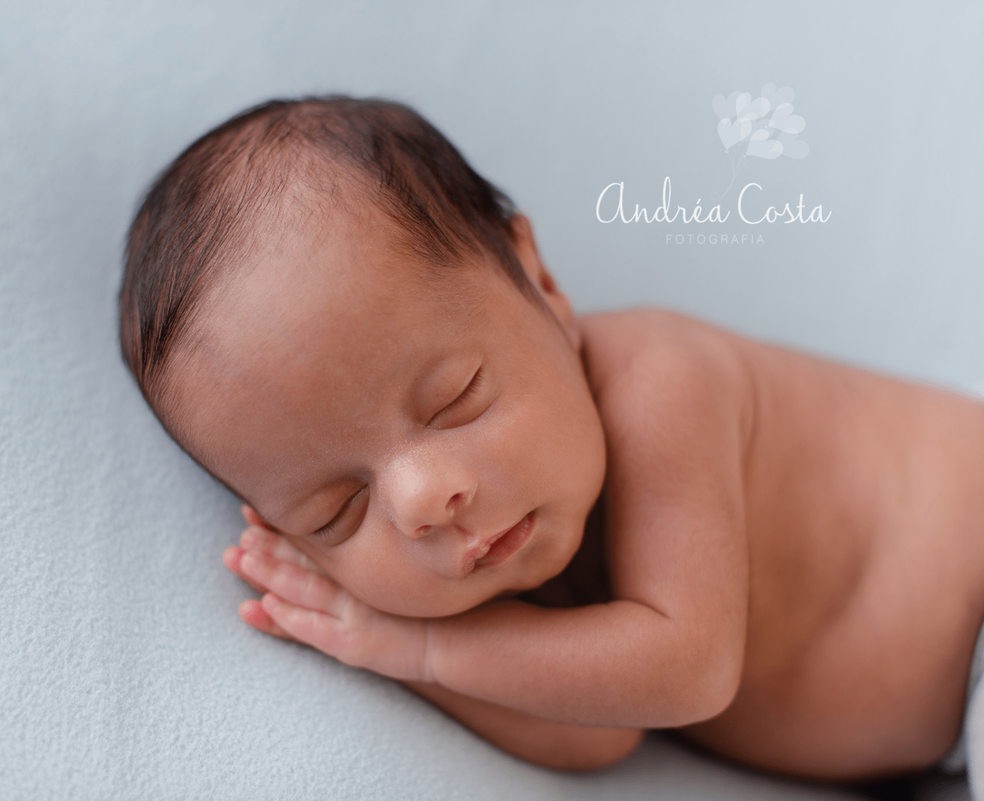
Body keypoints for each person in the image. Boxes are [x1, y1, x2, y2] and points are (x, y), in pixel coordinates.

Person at [118, 95, 984, 790]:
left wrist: (419, 648)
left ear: (540, 283)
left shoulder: (662, 383)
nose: (423, 498)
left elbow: (689, 668)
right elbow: (597, 738)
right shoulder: (507, 567)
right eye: (338, 510)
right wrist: (384, 647)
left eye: (454, 399)